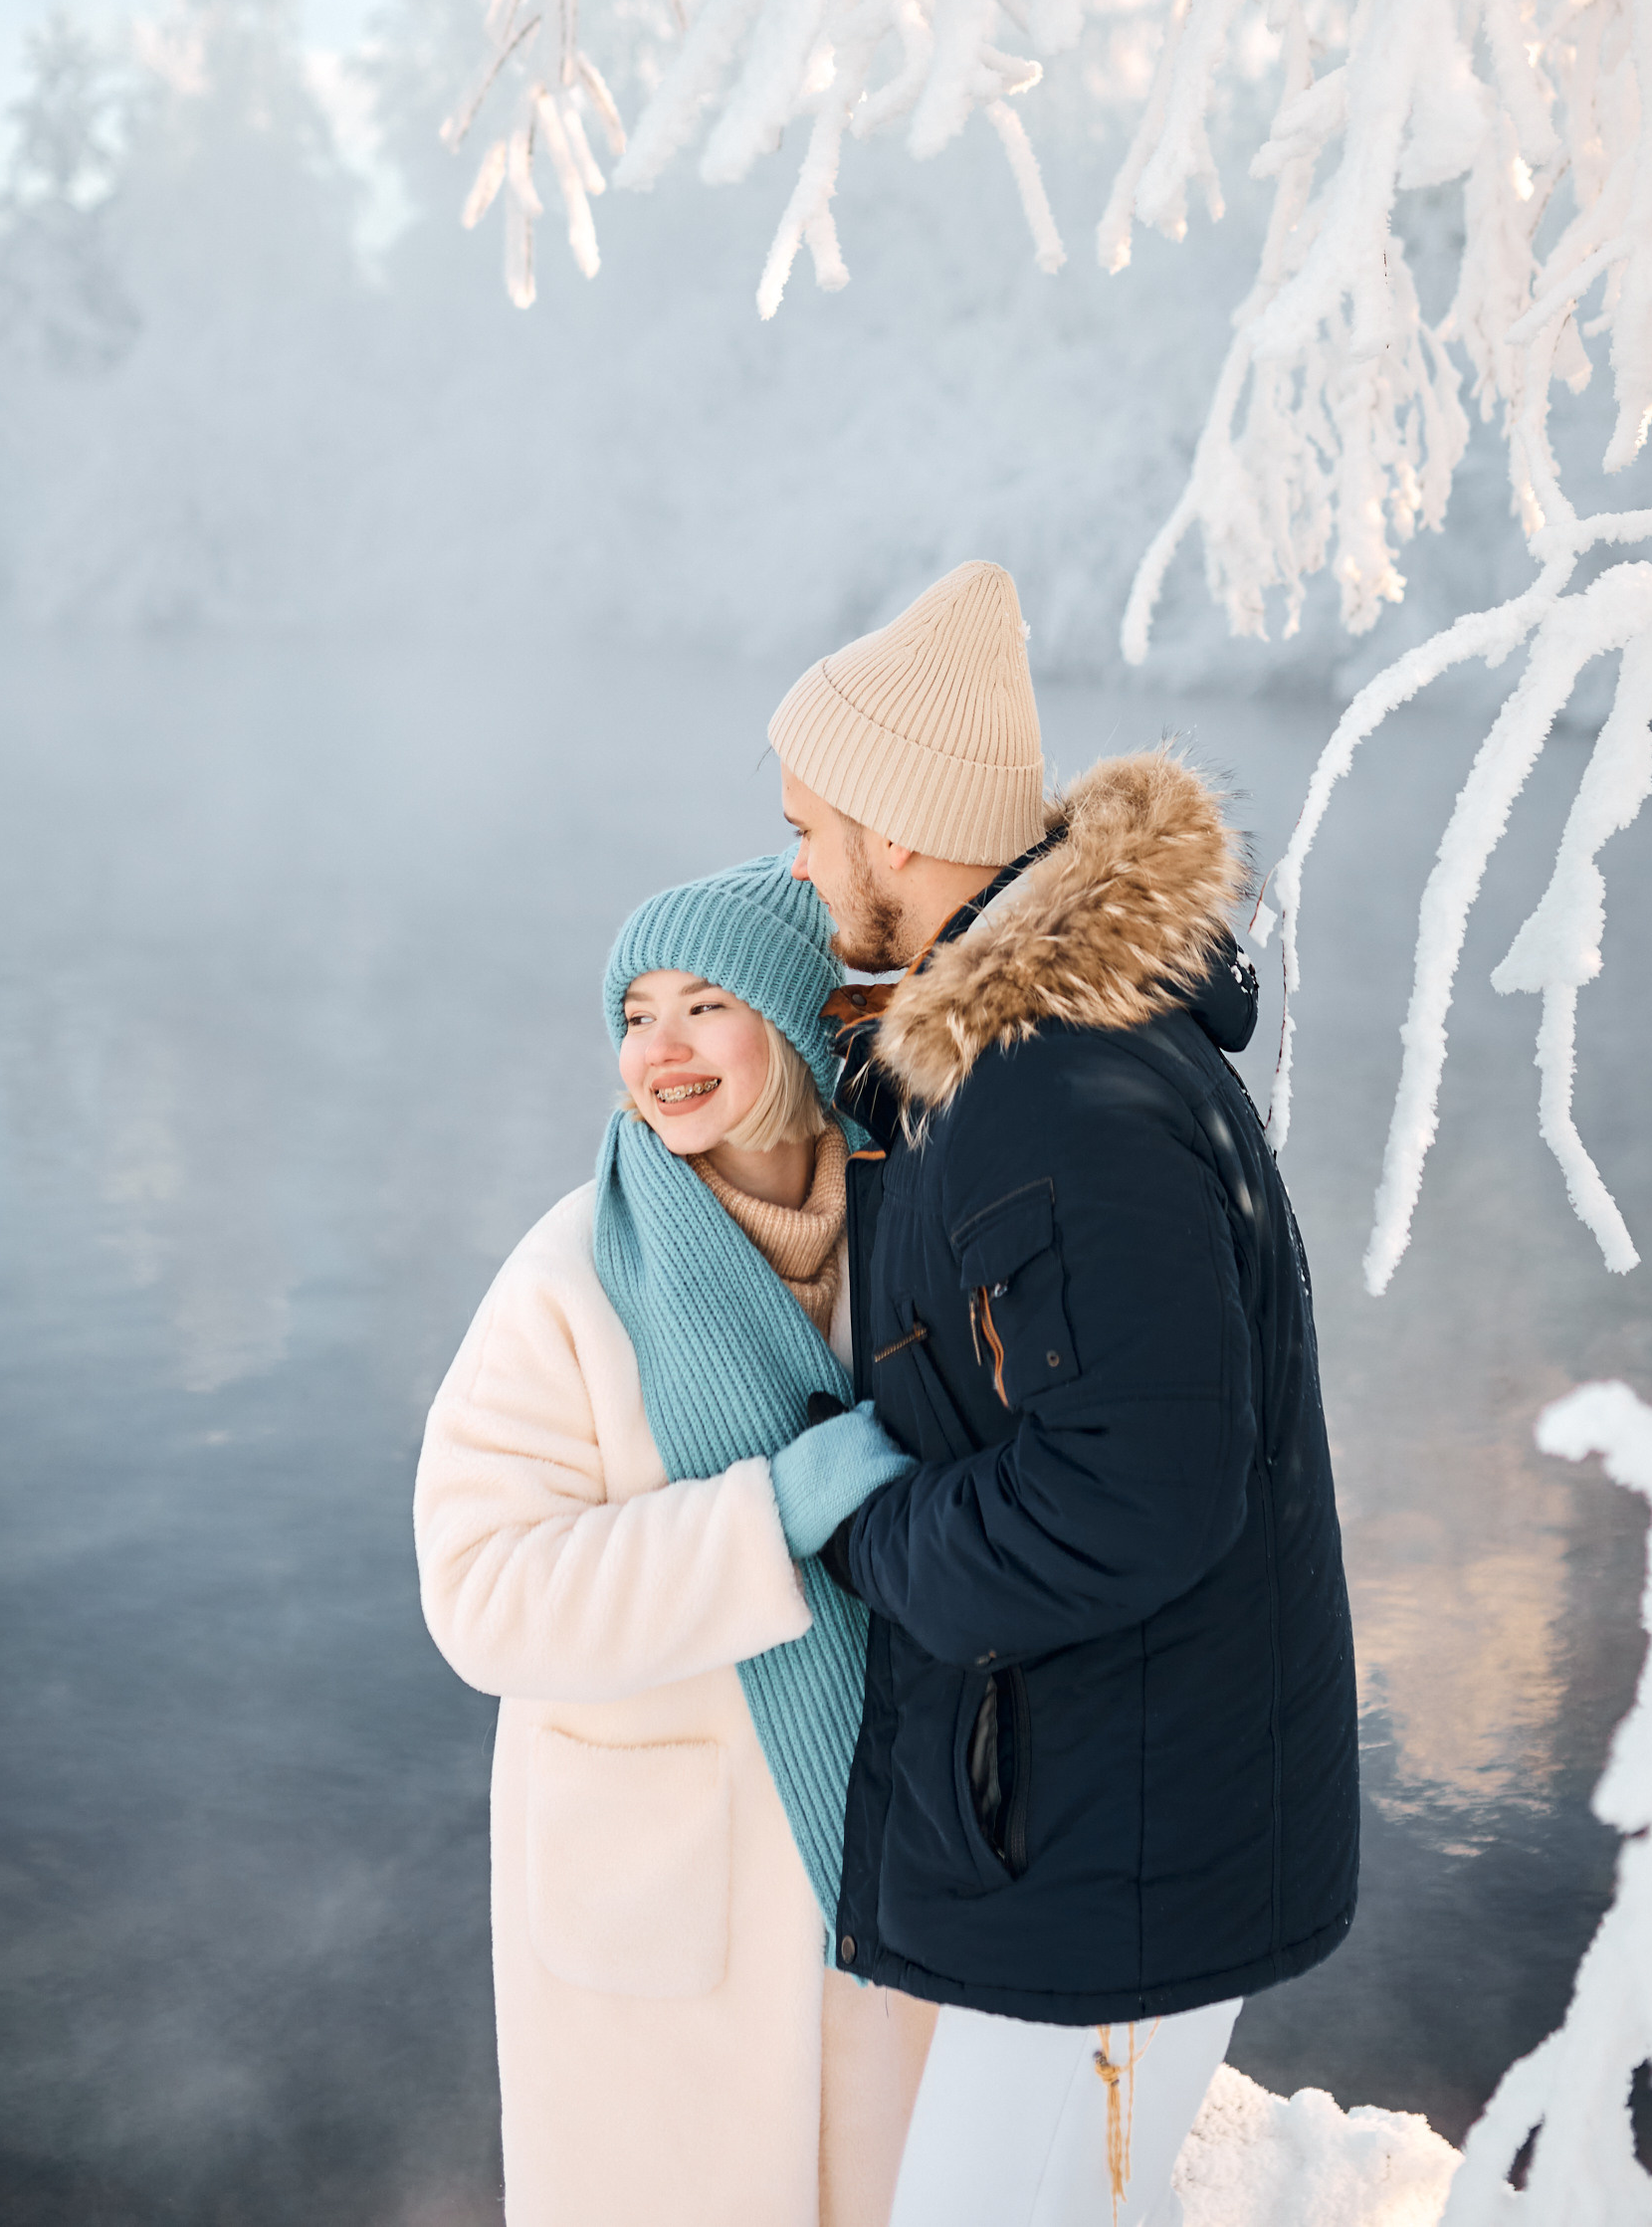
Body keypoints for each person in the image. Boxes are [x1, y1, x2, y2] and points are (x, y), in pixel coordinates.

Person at [766, 561, 1360, 2227]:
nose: (796, 866)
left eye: (808, 829)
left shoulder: (1058, 1093)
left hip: (1117, 1858)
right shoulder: (1027, 1057)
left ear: (896, 835)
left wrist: (867, 1524)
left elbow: (1129, 1494)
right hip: (1102, 1817)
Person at [414, 854, 935, 2227]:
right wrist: (768, 1520)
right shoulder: (571, 1275)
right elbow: (479, 1596)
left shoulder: (915, 1236)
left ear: (799, 1018)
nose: (661, 1051)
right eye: (635, 1016)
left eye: (706, 1006)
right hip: (659, 1895)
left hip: (885, 1849)